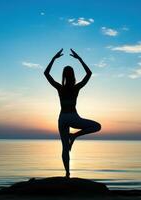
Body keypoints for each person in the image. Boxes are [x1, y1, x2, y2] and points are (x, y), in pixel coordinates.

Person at [44, 48, 101, 178]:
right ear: (73, 75)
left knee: (64, 148)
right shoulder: (76, 88)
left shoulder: (60, 88)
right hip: (73, 117)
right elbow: (89, 73)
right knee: (97, 126)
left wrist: (54, 58)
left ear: (64, 75)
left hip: (62, 118)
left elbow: (46, 73)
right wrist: (79, 58)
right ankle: (74, 136)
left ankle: (67, 173)